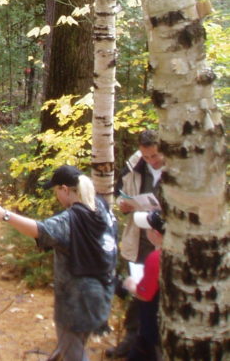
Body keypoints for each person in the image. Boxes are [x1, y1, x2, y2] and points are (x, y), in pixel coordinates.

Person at [0, 165, 117, 361]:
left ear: (65, 189)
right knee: (74, 343)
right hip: (101, 293)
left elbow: (41, 230)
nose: (56, 196)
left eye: (56, 191)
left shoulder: (72, 219)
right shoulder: (101, 209)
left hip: (76, 299)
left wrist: (5, 215)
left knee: (74, 352)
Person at [109, 129, 165, 358]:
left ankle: (154, 345)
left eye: (155, 156)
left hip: (167, 238)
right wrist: (125, 204)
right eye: (147, 156)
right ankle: (132, 341)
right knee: (139, 293)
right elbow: (121, 192)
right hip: (140, 237)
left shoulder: (179, 165)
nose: (151, 160)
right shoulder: (135, 163)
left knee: (161, 294)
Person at [121, 211, 164, 361]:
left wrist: (131, 284)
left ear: (155, 233)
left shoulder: (156, 258)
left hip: (152, 326)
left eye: (148, 229)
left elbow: (144, 294)